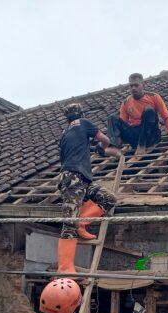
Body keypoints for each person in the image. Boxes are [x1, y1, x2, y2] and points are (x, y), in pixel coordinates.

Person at [56, 103, 120, 274]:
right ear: (81, 113)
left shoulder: (65, 134)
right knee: (69, 223)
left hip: (82, 178)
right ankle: (65, 269)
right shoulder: (84, 123)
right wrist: (105, 148)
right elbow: (105, 140)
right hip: (73, 177)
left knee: (109, 199)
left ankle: (81, 223)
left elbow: (66, 157)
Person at [107, 73, 168, 155]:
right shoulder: (126, 103)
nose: (133, 88)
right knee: (112, 118)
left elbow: (166, 117)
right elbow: (121, 126)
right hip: (135, 137)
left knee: (149, 110)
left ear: (142, 85)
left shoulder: (154, 97)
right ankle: (114, 147)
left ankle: (141, 145)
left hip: (151, 135)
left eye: (136, 85)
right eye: (131, 86)